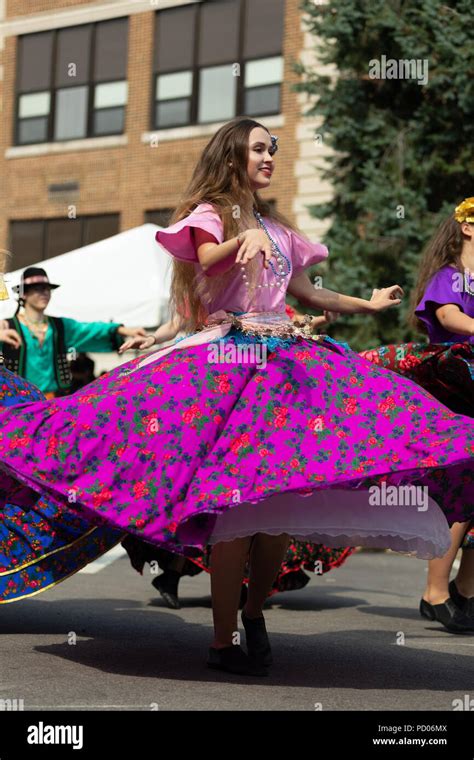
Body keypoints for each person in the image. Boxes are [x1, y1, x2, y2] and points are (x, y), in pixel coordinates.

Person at [0, 118, 474, 681]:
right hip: (228, 369)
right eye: (259, 149)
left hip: (287, 368)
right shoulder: (209, 216)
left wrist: (363, 304)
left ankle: (254, 615)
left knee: (275, 510)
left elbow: (305, 291)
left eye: (273, 148)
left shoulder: (274, 228)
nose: (269, 156)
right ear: (233, 158)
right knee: (236, 513)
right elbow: (205, 263)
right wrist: (235, 239)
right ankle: (222, 639)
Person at [359, 200, 474, 632]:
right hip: (458, 385)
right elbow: (448, 315)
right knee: (465, 480)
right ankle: (436, 592)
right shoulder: (451, 276)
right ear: (466, 227)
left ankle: (466, 590)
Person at [0, 266, 146, 398]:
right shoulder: (7, 326)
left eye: (47, 288)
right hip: (19, 403)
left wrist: (124, 330)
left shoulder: (60, 326)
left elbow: (90, 330)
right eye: (37, 288)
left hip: (53, 402)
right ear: (24, 294)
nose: (44, 293)